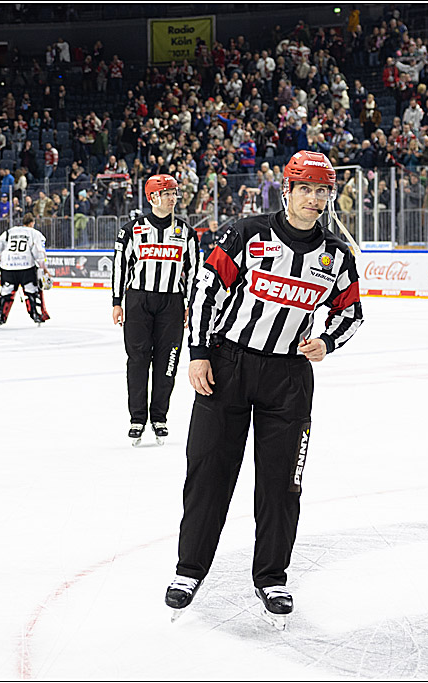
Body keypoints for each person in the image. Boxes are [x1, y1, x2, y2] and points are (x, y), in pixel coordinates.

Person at [166, 151, 363, 626]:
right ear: (287, 190)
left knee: (280, 485)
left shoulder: (336, 254)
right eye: (306, 189)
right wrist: (197, 353)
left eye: (323, 191)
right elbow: (205, 290)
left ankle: (272, 577)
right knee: (209, 473)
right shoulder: (247, 234)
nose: (314, 200)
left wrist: (327, 341)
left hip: (289, 380)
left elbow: (352, 314)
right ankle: (189, 570)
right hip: (227, 368)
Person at [111, 174, 200, 445]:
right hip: (138, 301)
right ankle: (137, 418)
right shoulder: (131, 230)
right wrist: (117, 302)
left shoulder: (186, 232)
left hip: (172, 304)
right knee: (137, 360)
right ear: (152, 198)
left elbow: (195, 272)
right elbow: (119, 266)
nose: (173, 198)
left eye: (175, 193)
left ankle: (159, 416)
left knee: (167, 362)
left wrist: (190, 305)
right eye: (168, 194)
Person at [0, 211, 51, 325]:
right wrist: (44, 268)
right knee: (31, 291)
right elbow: (39, 251)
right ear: (32, 223)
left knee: (6, 291)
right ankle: (36, 314)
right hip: (26, 266)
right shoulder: (34, 233)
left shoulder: (10, 231)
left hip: (7, 266)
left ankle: (0, 316)